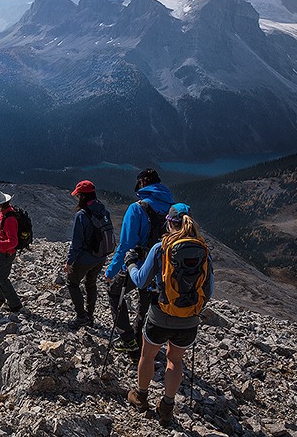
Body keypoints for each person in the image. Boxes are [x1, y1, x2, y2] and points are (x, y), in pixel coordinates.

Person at [125, 203, 213, 426]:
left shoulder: (161, 248)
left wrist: (131, 264)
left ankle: (141, 397)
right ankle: (167, 407)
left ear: (169, 222)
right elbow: (208, 290)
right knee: (175, 360)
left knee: (148, 356)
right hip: (189, 319)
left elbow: (141, 282)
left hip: (160, 315)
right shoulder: (203, 250)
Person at [103, 168, 173, 353]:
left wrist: (111, 272)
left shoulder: (137, 208)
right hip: (164, 268)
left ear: (141, 183)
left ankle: (127, 340)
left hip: (139, 264)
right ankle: (140, 338)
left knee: (114, 292)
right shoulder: (173, 208)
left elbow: (126, 246)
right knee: (146, 298)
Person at [64, 180, 111, 329]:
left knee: (72, 283)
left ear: (83, 197)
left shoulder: (82, 215)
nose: (77, 198)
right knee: (91, 283)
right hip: (101, 256)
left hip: (85, 258)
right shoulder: (104, 210)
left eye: (78, 195)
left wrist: (69, 262)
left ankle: (81, 316)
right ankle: (90, 315)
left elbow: (76, 243)